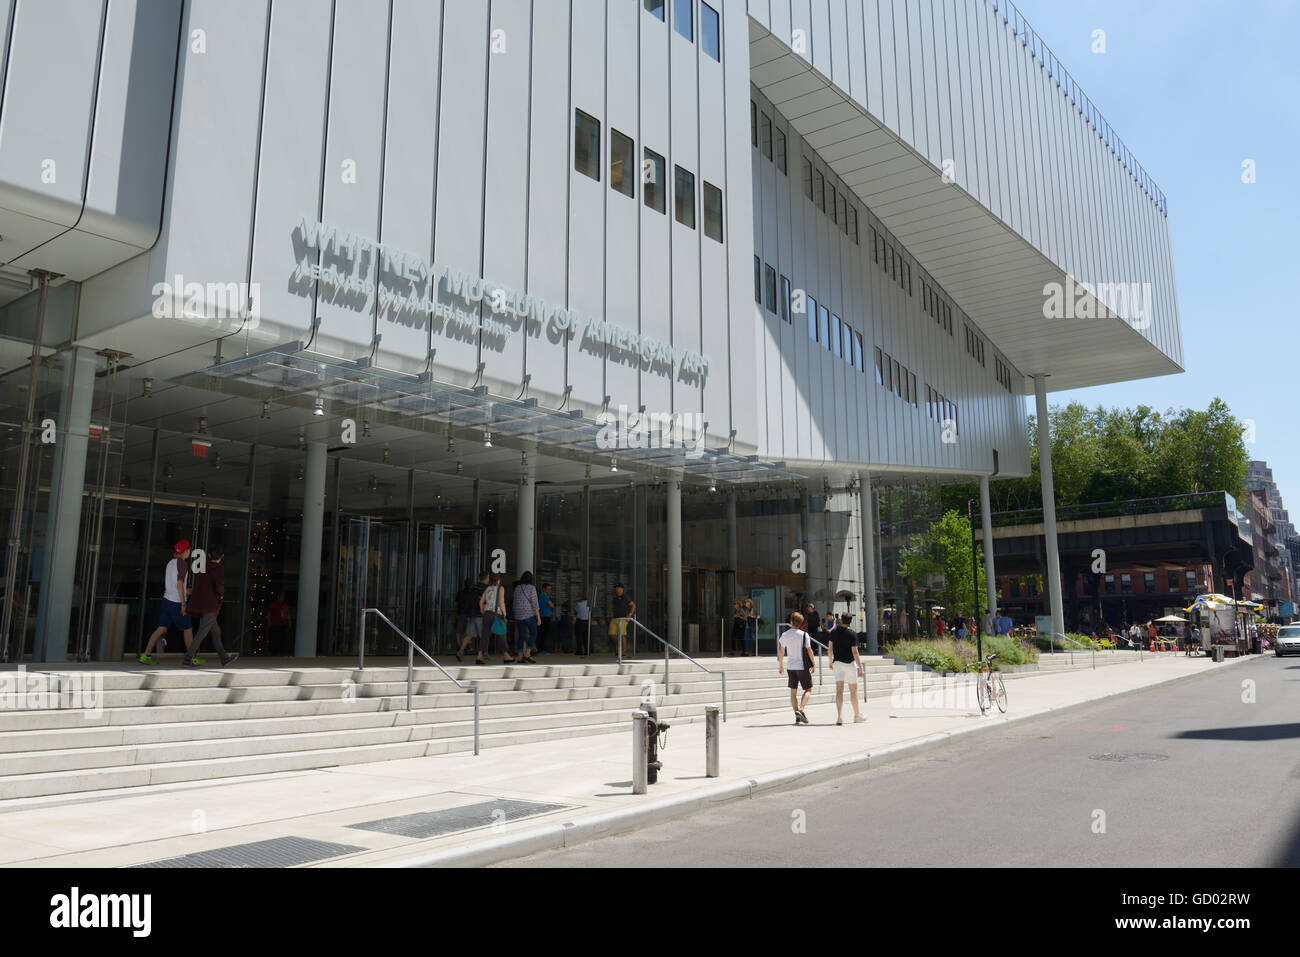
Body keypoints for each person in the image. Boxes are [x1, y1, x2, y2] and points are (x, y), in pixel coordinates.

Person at [140, 540, 195, 665]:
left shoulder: (170, 563)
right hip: (176, 602)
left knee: (161, 629)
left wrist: (186, 591)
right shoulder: (183, 564)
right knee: (187, 629)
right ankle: (189, 658)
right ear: (185, 551)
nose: (189, 552)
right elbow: (179, 583)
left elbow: (174, 584)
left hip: (166, 600)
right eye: (189, 550)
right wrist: (183, 603)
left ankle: (146, 655)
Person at [183, 545, 238, 668]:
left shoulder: (203, 567)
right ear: (222, 556)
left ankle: (224, 658)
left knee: (216, 631)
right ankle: (188, 658)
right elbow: (219, 586)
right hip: (211, 605)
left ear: (208, 556)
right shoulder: (218, 569)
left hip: (201, 603)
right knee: (202, 631)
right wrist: (221, 595)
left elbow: (198, 583)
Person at [827, 613, 866, 724]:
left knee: (839, 691)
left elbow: (830, 649)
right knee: (853, 691)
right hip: (849, 664)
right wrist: (861, 667)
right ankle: (857, 715)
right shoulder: (852, 634)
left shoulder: (833, 632)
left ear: (841, 620)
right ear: (851, 621)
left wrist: (830, 661)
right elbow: (855, 652)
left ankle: (840, 717)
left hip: (837, 663)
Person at [777, 611, 814, 725]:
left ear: (791, 621)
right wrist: (814, 663)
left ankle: (797, 716)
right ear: (801, 622)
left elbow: (782, 651)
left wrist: (781, 665)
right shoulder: (804, 635)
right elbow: (809, 650)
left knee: (793, 693)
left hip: (791, 667)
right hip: (802, 666)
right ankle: (801, 710)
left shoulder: (785, 635)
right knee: (808, 689)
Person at [512, 571, 541, 663]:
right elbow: (535, 603)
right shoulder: (532, 588)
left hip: (519, 615)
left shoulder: (517, 588)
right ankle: (527, 653)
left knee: (521, 636)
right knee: (534, 633)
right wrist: (538, 617)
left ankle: (520, 656)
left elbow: (514, 602)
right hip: (529, 614)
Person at [480, 572, 507, 661]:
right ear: (498, 580)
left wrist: (483, 611)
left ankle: (479, 656)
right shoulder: (501, 588)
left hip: (487, 614)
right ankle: (506, 656)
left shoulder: (487, 588)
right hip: (497, 614)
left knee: (485, 636)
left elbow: (481, 602)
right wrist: (504, 613)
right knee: (501, 635)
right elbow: (501, 602)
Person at [453, 577, 479, 662]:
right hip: (471, 615)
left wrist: (456, 613)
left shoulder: (460, 593)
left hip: (462, 614)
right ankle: (464, 649)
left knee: (461, 633)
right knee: (468, 633)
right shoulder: (475, 593)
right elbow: (477, 604)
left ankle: (462, 649)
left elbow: (456, 604)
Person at [611, 583, 635, 656]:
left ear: (622, 589)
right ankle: (620, 647)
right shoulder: (614, 597)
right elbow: (613, 607)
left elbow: (633, 605)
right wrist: (611, 613)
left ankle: (622, 651)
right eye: (616, 588)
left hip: (623, 619)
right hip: (614, 618)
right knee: (612, 634)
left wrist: (629, 615)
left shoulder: (625, 597)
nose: (616, 589)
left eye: (618, 588)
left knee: (622, 635)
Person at [267, 591, 292, 656]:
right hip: (275, 624)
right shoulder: (273, 604)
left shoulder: (285, 605)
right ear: (278, 597)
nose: (282, 598)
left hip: (283, 624)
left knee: (282, 638)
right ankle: (273, 651)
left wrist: (289, 623)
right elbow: (269, 614)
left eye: (283, 596)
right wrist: (269, 622)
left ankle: (280, 651)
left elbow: (288, 615)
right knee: (274, 638)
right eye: (281, 596)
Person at [538, 583, 554, 653]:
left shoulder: (543, 596)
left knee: (543, 633)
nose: (549, 591)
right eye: (548, 589)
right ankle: (542, 649)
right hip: (544, 617)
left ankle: (542, 649)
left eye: (550, 589)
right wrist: (552, 604)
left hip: (544, 616)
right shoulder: (543, 596)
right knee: (544, 633)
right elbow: (551, 605)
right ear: (543, 589)